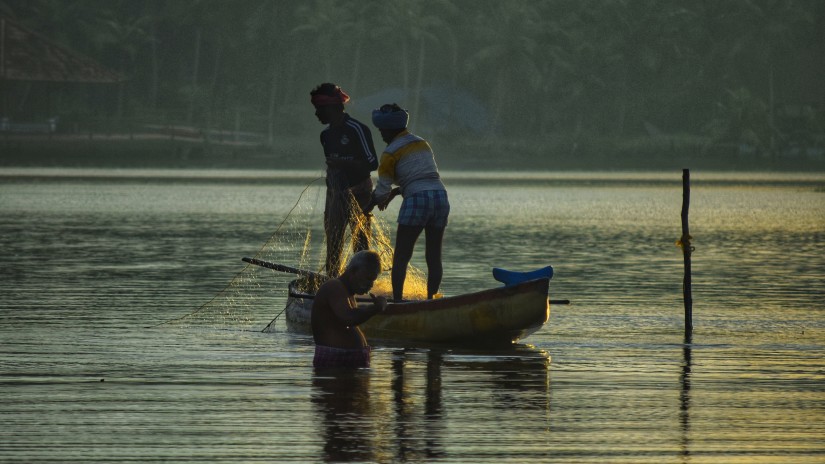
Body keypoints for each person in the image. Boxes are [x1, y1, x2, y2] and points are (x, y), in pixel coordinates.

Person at [369, 104, 450, 302]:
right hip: (440, 197)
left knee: (402, 257)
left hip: (416, 200)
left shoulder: (390, 152)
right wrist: (396, 193)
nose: (381, 134)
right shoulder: (422, 143)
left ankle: (397, 302)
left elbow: (381, 190)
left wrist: (370, 203)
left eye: (382, 130)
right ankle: (432, 299)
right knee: (433, 257)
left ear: (390, 129)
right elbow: (421, 177)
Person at [310, 83, 379, 277]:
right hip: (335, 196)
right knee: (333, 242)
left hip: (360, 194)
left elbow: (373, 163)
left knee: (361, 243)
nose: (317, 114)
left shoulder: (357, 129)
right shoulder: (326, 135)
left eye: (319, 109)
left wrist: (343, 163)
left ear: (333, 107)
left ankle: (363, 284)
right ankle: (333, 282)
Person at [312, 250, 388, 369]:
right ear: (353, 271)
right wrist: (376, 308)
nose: (370, 285)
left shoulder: (348, 294)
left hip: (346, 364)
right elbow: (349, 317)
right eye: (368, 278)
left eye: (373, 280)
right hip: (335, 366)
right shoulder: (334, 287)